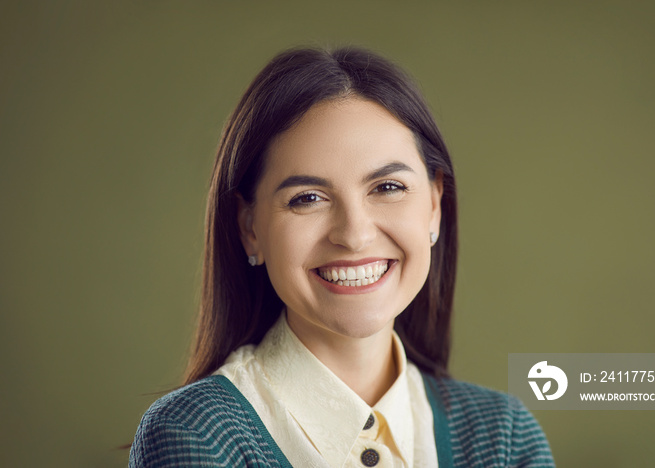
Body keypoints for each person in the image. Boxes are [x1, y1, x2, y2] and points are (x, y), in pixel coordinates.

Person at [129, 46, 555, 468]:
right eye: (307, 198)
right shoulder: (195, 435)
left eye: (387, 187)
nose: (354, 235)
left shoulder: (505, 436)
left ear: (434, 205)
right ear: (250, 227)